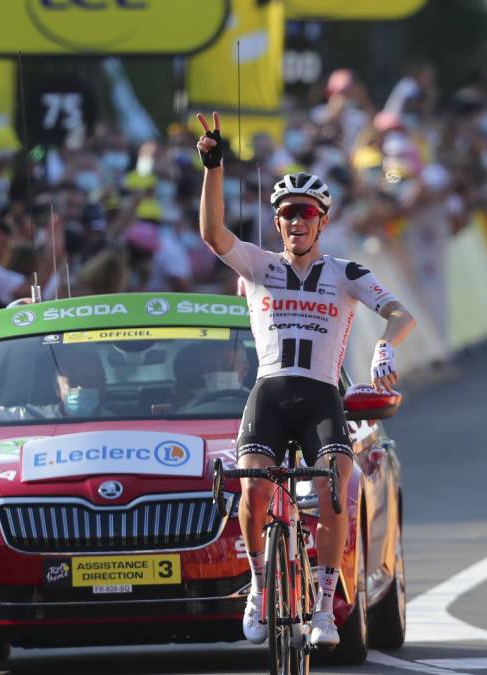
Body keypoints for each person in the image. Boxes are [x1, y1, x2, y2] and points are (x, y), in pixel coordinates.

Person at [196, 111, 416, 648]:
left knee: (332, 491)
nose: (297, 223)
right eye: (288, 215)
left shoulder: (346, 273)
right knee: (251, 490)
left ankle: (321, 608)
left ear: (322, 221)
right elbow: (211, 232)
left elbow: (399, 313)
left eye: (306, 215)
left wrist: (385, 345)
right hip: (270, 391)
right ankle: (257, 585)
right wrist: (214, 167)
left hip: (321, 396)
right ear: (278, 224)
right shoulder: (258, 266)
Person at [0, 347, 110, 423]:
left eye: (89, 381)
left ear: (103, 385)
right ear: (57, 388)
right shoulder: (29, 419)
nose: (81, 388)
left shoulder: (121, 425)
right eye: (73, 381)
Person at [172, 339, 251, 412]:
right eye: (210, 367)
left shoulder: (258, 403)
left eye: (227, 367)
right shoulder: (188, 404)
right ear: (203, 370)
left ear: (244, 369)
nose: (217, 372)